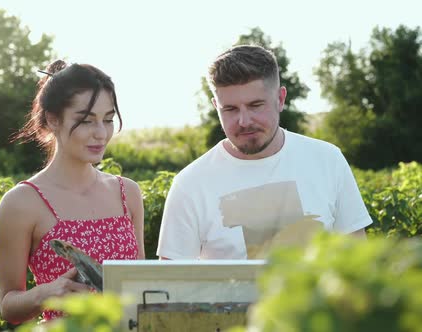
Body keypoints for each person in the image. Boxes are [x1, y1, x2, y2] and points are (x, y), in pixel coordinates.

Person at [156, 45, 372, 260]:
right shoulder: (190, 183)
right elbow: (171, 285)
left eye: (255, 105)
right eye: (230, 109)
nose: (244, 121)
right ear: (215, 106)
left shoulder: (327, 160)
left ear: (280, 99)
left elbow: (358, 260)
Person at [0, 60, 145, 324]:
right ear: (53, 120)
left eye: (108, 119)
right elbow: (9, 305)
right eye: (86, 121)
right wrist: (47, 293)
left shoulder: (127, 193)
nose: (101, 133)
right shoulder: (22, 203)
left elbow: (141, 288)